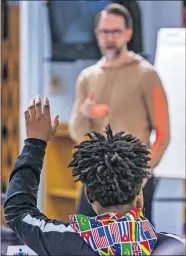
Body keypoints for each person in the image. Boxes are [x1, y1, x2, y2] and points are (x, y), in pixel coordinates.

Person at [4, 97, 183, 256]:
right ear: (139, 192)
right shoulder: (174, 246)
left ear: (88, 194)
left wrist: (35, 143)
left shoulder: (63, 240)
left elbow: (18, 211)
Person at [69, 3, 170, 223]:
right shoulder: (87, 77)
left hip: (133, 176)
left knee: (134, 241)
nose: (110, 38)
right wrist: (84, 112)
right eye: (105, 32)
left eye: (115, 31)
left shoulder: (146, 74)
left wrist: (144, 173)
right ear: (97, 34)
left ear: (128, 33)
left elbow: (163, 133)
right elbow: (77, 133)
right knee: (85, 239)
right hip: (96, 175)